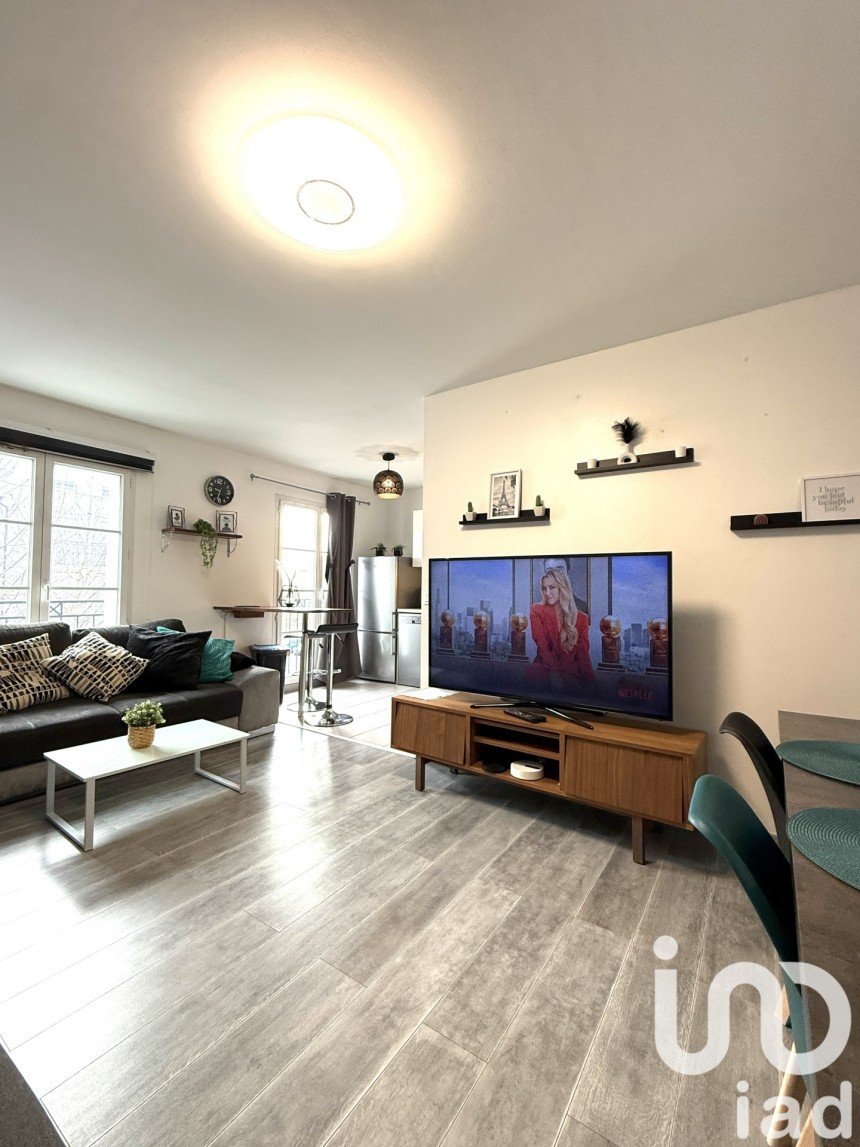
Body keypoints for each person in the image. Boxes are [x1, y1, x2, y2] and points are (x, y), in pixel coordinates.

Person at [529, 566, 595, 684]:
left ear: (562, 587)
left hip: (571, 676)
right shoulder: (537, 611)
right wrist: (555, 675)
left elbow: (583, 655)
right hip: (544, 672)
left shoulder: (582, 618)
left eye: (552, 587)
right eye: (544, 588)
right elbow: (543, 647)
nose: (547, 593)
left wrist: (592, 685)